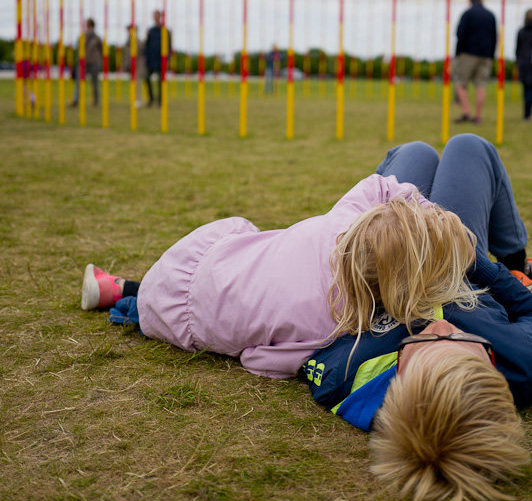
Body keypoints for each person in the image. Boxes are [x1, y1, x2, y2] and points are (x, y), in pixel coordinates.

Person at [302, 135, 532, 501]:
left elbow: (319, 350)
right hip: (460, 263)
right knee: (469, 146)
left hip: (394, 253)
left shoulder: (344, 380)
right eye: (462, 339)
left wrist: (384, 278)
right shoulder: (526, 367)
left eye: (419, 344)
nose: (439, 328)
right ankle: (520, 263)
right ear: (490, 366)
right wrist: (477, 262)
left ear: (399, 381)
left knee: (413, 153)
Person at [81, 160, 486, 378]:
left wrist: (420, 209)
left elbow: (378, 184)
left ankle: (119, 288)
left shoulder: (342, 222)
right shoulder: (332, 327)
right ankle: (120, 290)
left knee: (258, 251)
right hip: (183, 312)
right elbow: (256, 360)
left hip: (199, 266)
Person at [454, 0, 497, 124]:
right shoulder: (490, 15)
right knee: (481, 85)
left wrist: (458, 52)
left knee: (461, 83)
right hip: (485, 55)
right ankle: (478, 116)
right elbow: (495, 36)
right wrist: (491, 54)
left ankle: (466, 112)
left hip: (468, 53)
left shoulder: (467, 14)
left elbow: (460, 34)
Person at [69, 19, 102, 107]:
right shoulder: (82, 37)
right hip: (83, 63)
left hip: (94, 63)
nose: (88, 27)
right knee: (78, 82)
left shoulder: (97, 38)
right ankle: (76, 100)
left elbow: (101, 50)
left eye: (89, 25)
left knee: (94, 83)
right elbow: (78, 49)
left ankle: (96, 100)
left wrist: (99, 61)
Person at [143, 10, 171, 106]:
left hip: (161, 60)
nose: (155, 17)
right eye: (154, 16)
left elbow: (169, 46)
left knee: (160, 81)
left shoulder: (165, 30)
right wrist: (145, 56)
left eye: (156, 15)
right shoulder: (150, 30)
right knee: (146, 77)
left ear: (160, 17)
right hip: (151, 59)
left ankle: (160, 101)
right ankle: (151, 99)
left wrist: (167, 59)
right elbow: (147, 44)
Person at [122, 24, 145, 107]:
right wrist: (124, 65)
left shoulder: (137, 41)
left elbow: (141, 51)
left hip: (137, 64)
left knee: (137, 82)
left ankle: (138, 99)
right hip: (130, 65)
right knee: (131, 82)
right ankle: (133, 98)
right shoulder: (128, 41)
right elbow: (125, 55)